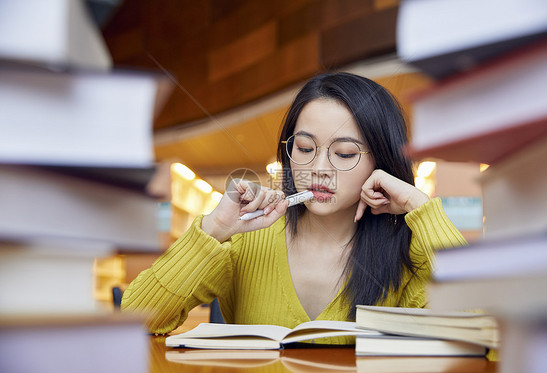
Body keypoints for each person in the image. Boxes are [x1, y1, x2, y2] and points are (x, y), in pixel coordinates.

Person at [121, 72, 467, 344]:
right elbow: (134, 319)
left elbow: (487, 334)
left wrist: (418, 205)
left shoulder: (405, 251)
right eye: (304, 148)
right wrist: (213, 230)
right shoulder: (246, 240)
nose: (318, 168)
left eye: (344, 154)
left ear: (382, 162)